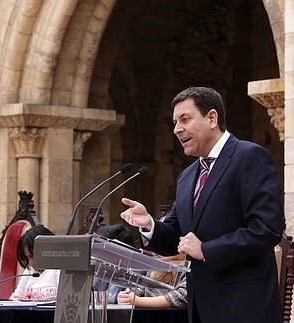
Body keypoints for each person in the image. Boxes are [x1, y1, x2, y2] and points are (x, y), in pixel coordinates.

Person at [119, 87, 284, 323]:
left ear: (212, 118)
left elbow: (267, 229)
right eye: (174, 122)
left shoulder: (249, 157)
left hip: (243, 308)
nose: (177, 129)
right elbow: (176, 236)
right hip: (199, 309)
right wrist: (149, 225)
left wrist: (206, 250)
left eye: (185, 119)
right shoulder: (187, 176)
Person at [117, 253, 187, 308]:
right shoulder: (154, 266)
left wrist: (138, 301)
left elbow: (181, 297)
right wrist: (127, 296)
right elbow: (141, 288)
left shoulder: (189, 268)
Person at [10, 225, 60, 301]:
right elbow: (15, 298)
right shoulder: (30, 270)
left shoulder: (58, 270)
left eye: (32, 256)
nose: (30, 263)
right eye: (27, 258)